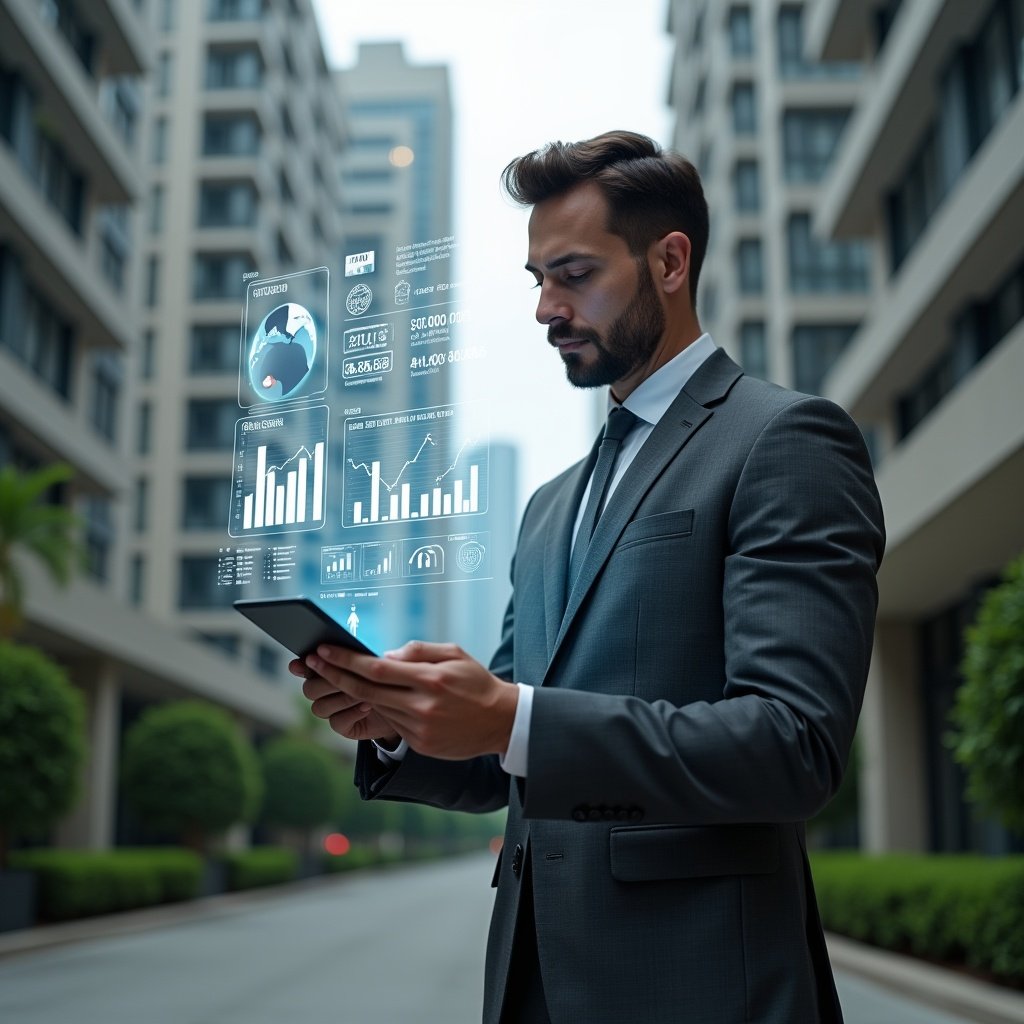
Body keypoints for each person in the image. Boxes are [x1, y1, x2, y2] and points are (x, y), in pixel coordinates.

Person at [291, 130, 885, 1023]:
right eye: (537, 281)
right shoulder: (548, 506)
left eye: (573, 275)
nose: (545, 308)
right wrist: (404, 723)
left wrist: (510, 716)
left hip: (698, 989)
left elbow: (790, 744)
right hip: (530, 979)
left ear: (670, 262)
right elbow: (511, 751)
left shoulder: (784, 440)